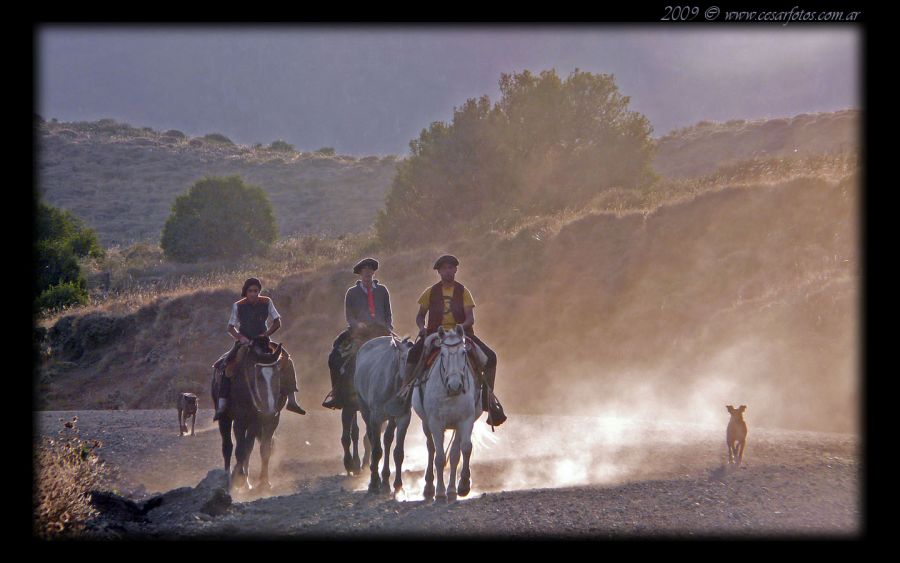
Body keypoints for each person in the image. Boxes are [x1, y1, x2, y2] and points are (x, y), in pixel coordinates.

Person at [391, 255, 505, 425]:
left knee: (491, 357)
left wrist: (459, 328)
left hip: (461, 334)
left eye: (451, 268)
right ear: (438, 272)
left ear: (456, 270)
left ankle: (488, 399)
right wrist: (422, 328)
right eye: (444, 268)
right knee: (413, 354)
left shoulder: (463, 291)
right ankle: (405, 392)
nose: (448, 271)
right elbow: (420, 316)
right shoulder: (430, 292)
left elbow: (470, 318)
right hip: (435, 334)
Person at [213, 277, 306, 420]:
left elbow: (277, 322)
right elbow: (230, 328)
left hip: (263, 341)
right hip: (245, 342)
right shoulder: (238, 305)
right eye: (250, 291)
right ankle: (222, 403)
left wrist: (266, 334)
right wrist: (241, 338)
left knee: (287, 360)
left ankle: (292, 401)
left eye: (256, 291)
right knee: (227, 364)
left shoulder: (267, 302)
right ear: (246, 292)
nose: (253, 293)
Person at [322, 258, 394, 410]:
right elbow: (349, 315)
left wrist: (387, 326)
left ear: (374, 272)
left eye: (370, 269)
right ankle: (337, 393)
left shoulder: (382, 291)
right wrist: (357, 324)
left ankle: (403, 393)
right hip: (360, 333)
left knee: (403, 353)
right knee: (335, 357)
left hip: (381, 332)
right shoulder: (352, 292)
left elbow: (388, 313)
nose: (367, 272)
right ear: (360, 273)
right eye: (364, 270)